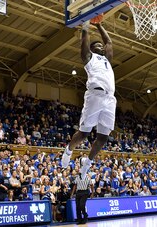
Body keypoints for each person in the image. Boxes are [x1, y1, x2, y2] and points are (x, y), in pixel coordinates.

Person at [61, 16, 116, 179]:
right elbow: (85, 40)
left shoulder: (107, 60)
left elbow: (109, 43)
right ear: (92, 49)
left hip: (110, 99)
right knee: (84, 133)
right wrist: (85, 23)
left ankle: (87, 164)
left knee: (103, 137)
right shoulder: (89, 58)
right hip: (95, 95)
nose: (101, 46)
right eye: (97, 45)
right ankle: (68, 150)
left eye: (101, 45)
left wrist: (98, 24)